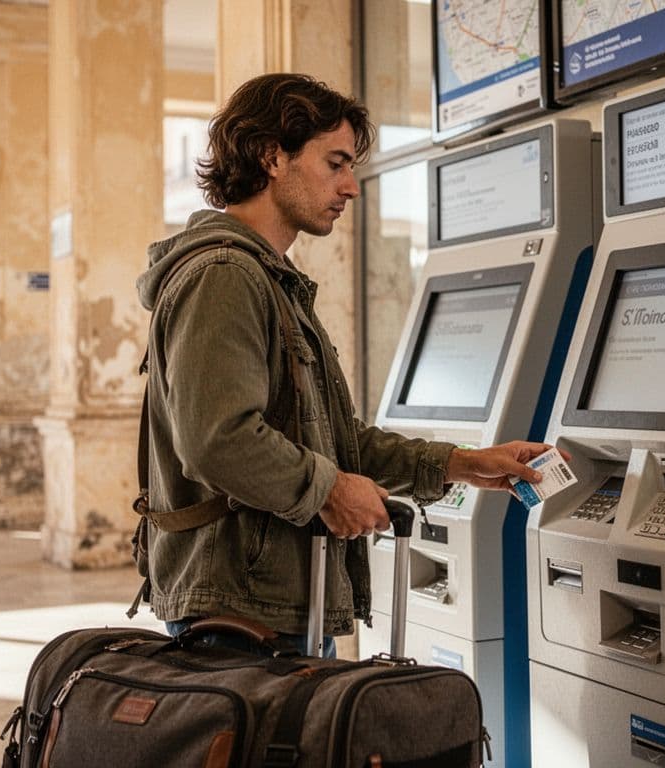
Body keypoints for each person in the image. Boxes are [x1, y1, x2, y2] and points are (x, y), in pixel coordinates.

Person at [135, 73, 558, 658]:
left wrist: (463, 464)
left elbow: (330, 440)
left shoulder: (266, 278)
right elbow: (217, 439)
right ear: (272, 157)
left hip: (274, 603)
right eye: (335, 164)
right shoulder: (225, 276)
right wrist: (329, 490)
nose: (351, 187)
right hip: (243, 617)